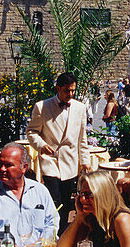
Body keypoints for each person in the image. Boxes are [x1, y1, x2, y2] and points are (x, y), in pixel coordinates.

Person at [27, 72, 90, 225]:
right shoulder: (42, 107)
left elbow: (82, 138)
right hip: (51, 162)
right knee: (55, 201)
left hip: (71, 163)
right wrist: (41, 146)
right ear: (58, 88)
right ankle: (53, 232)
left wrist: (85, 160)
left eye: (73, 90)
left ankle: (62, 233)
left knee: (67, 203)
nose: (70, 94)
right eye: (67, 90)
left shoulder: (80, 108)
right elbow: (31, 132)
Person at [0, 143, 58, 244]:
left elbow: (52, 222)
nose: (2, 169)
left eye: (8, 165)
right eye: (0, 164)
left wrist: (41, 243)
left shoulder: (40, 191)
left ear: (24, 167)